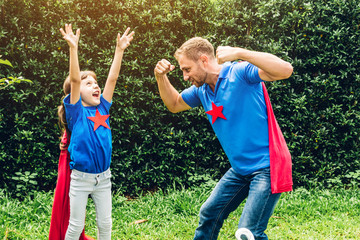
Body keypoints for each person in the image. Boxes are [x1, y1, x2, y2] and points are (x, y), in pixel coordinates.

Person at [154, 37, 293, 240]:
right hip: (240, 170)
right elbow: (174, 104)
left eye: (187, 69)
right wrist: (160, 77)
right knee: (209, 214)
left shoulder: (240, 72)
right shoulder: (202, 91)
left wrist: (241, 52)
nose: (184, 76)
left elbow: (285, 70)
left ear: (203, 60)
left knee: (248, 234)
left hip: (266, 167)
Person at [57, 23, 134, 240]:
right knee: (74, 226)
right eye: (87, 83)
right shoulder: (76, 113)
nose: (95, 85)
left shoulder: (103, 108)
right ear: (75, 92)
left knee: (105, 224)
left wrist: (119, 51)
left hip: (104, 178)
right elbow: (74, 80)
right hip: (80, 179)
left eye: (95, 82)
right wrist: (73, 48)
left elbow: (112, 79)